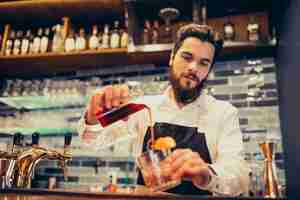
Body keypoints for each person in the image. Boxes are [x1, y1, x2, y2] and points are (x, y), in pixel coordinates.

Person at [78, 24, 250, 196]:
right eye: (187, 57)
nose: (193, 68)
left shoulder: (223, 113)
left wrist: (207, 175)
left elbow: (239, 177)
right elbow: (92, 140)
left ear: (209, 70)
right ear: (172, 57)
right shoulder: (144, 107)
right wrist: (93, 118)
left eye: (203, 63)